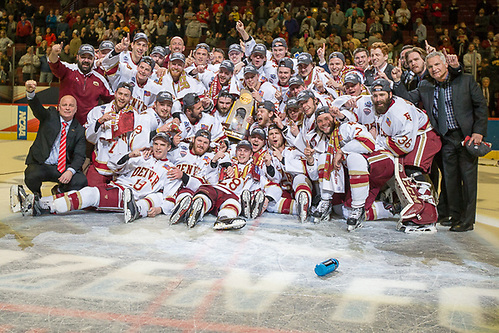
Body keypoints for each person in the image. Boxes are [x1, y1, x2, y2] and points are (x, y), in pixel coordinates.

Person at [392, 51, 488, 232]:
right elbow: (406, 100)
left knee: (468, 180)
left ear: (445, 64)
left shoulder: (464, 80)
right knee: (450, 180)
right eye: (430, 66)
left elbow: (481, 107)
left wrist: (478, 132)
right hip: (446, 139)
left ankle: (467, 221)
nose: (434, 69)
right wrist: (397, 82)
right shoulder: (426, 85)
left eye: (437, 65)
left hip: (466, 137)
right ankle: (454, 215)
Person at [11, 80, 87, 215]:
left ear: (76, 109)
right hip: (43, 165)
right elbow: (37, 108)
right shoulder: (50, 116)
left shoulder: (79, 130)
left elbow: (80, 155)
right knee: (31, 174)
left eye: (71, 105)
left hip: (62, 169)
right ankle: (37, 196)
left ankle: (56, 193)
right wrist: (30, 93)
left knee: (81, 181)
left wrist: (70, 171)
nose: (67, 108)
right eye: (64, 105)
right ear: (58, 107)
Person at [49, 43, 114, 126]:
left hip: (87, 127)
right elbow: (53, 63)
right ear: (77, 57)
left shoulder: (100, 79)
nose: (86, 60)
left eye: (89, 58)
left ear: (94, 59)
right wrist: (54, 53)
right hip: (64, 126)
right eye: (83, 57)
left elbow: (112, 100)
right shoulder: (68, 69)